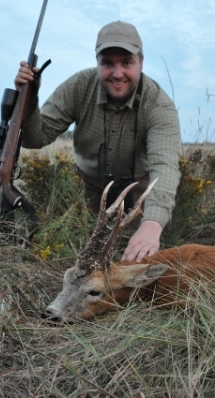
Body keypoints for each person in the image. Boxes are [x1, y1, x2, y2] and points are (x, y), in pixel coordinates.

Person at [14, 21, 181, 263]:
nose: (117, 73)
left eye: (126, 63)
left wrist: (152, 226)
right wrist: (29, 98)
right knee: (66, 251)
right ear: (97, 63)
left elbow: (164, 167)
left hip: (137, 192)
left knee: (136, 260)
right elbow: (35, 138)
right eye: (107, 63)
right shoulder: (79, 86)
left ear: (141, 63)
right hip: (87, 185)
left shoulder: (159, 105)